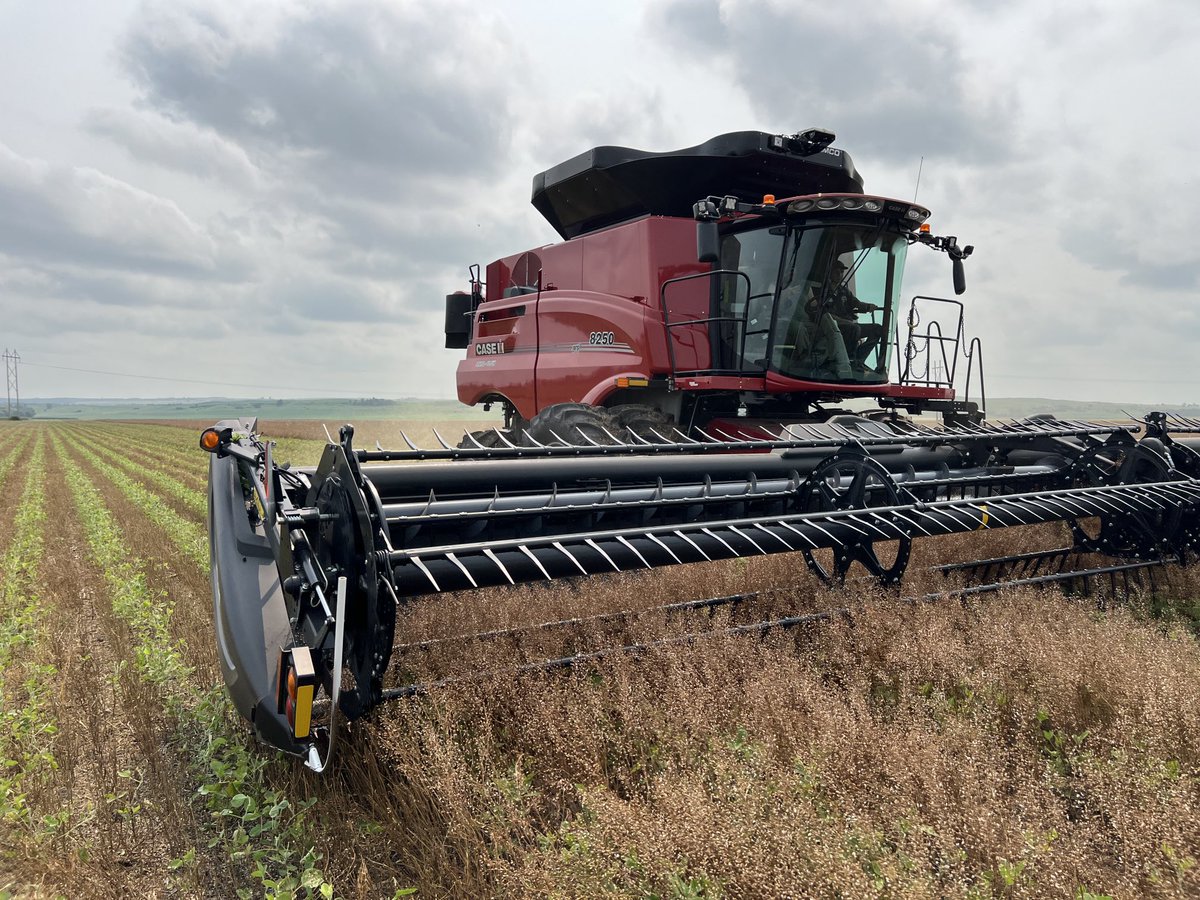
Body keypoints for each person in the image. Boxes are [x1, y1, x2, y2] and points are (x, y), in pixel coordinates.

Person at [822, 260, 884, 369]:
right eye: (837, 272)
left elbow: (856, 303)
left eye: (841, 272)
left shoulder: (844, 290)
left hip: (849, 325)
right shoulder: (823, 290)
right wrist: (846, 322)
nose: (840, 275)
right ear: (829, 272)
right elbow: (826, 315)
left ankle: (858, 359)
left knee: (877, 329)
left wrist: (868, 307)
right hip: (832, 326)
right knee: (854, 328)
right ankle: (850, 359)